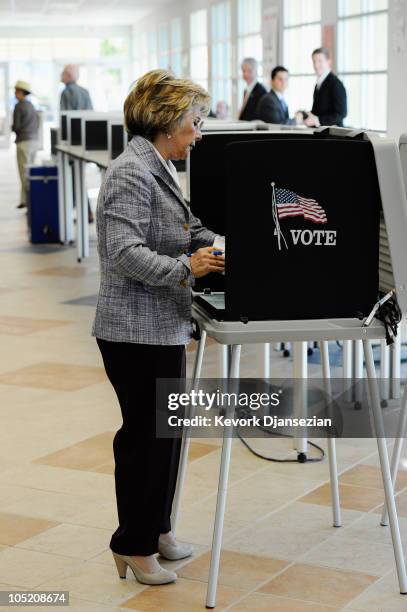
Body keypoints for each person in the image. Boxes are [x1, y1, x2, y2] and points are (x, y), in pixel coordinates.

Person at [92, 69, 225, 586]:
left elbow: (191, 229)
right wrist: (185, 269)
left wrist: (228, 244)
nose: (198, 134)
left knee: (166, 435)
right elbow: (123, 253)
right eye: (194, 123)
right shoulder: (131, 173)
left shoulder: (160, 166)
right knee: (145, 440)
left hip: (160, 327)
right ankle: (132, 543)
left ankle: (157, 528)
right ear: (168, 124)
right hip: (133, 332)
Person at [60, 64, 94, 222]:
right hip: (85, 141)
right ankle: (86, 211)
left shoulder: (66, 92)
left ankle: (82, 211)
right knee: (79, 177)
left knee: (73, 178)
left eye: (63, 73)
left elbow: (64, 118)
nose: (60, 75)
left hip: (72, 143)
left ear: (68, 75)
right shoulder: (85, 92)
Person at [12, 80, 39, 209]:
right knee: (30, 172)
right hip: (34, 142)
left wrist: (14, 128)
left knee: (24, 174)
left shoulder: (18, 106)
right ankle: (26, 200)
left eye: (16, 91)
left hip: (23, 142)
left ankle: (28, 200)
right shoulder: (31, 105)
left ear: (21, 92)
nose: (15, 93)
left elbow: (16, 126)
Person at [303, 47, 347, 127]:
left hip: (334, 135)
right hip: (321, 133)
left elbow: (341, 113)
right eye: (314, 61)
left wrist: (318, 120)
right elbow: (317, 111)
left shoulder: (335, 84)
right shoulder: (319, 84)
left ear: (328, 61)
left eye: (320, 61)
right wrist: (305, 115)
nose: (316, 65)